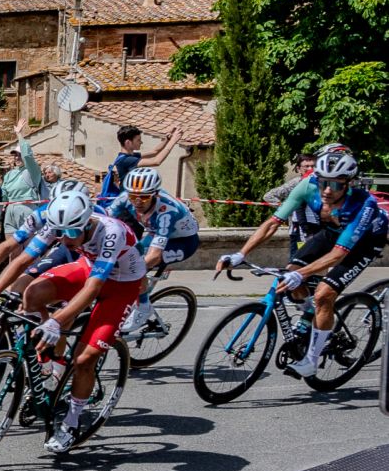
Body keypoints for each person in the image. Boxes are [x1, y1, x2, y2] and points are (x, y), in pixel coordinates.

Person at [0, 185, 148, 454]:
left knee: (84, 359)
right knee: (32, 293)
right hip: (88, 269)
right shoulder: (60, 225)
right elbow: (22, 260)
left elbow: (93, 288)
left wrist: (55, 321)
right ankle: (49, 366)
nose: (65, 239)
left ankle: (72, 423)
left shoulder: (112, 232)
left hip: (122, 285)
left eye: (72, 233)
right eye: (60, 233)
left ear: (86, 223)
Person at [218, 146, 386, 379]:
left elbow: (338, 254)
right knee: (291, 272)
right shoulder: (307, 186)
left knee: (324, 294)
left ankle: (311, 361)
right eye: (323, 182)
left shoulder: (363, 204)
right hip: (332, 233)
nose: (328, 190)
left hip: (364, 243)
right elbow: (273, 222)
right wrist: (241, 254)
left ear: (349, 184)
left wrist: (302, 275)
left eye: (336, 185)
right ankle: (310, 313)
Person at [105, 166, 200, 334]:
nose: (137, 202)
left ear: (155, 194)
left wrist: (132, 270)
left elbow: (155, 256)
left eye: (144, 197)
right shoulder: (125, 197)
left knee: (136, 266)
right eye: (133, 196)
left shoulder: (167, 211)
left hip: (182, 242)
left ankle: (144, 307)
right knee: (128, 257)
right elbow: (103, 219)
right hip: (155, 232)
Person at [99, 125, 182, 200]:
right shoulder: (127, 160)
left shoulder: (128, 156)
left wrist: (167, 139)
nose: (141, 142)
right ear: (128, 143)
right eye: (138, 140)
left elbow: (155, 152)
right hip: (129, 200)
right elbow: (156, 161)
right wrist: (173, 141)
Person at [0, 118, 45, 235]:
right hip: (10, 210)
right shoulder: (9, 174)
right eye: (15, 155)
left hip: (27, 208)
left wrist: (19, 134)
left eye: (19, 155)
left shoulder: (32, 171)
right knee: (11, 245)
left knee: (28, 245)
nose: (17, 157)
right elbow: (4, 195)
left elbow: (28, 156)